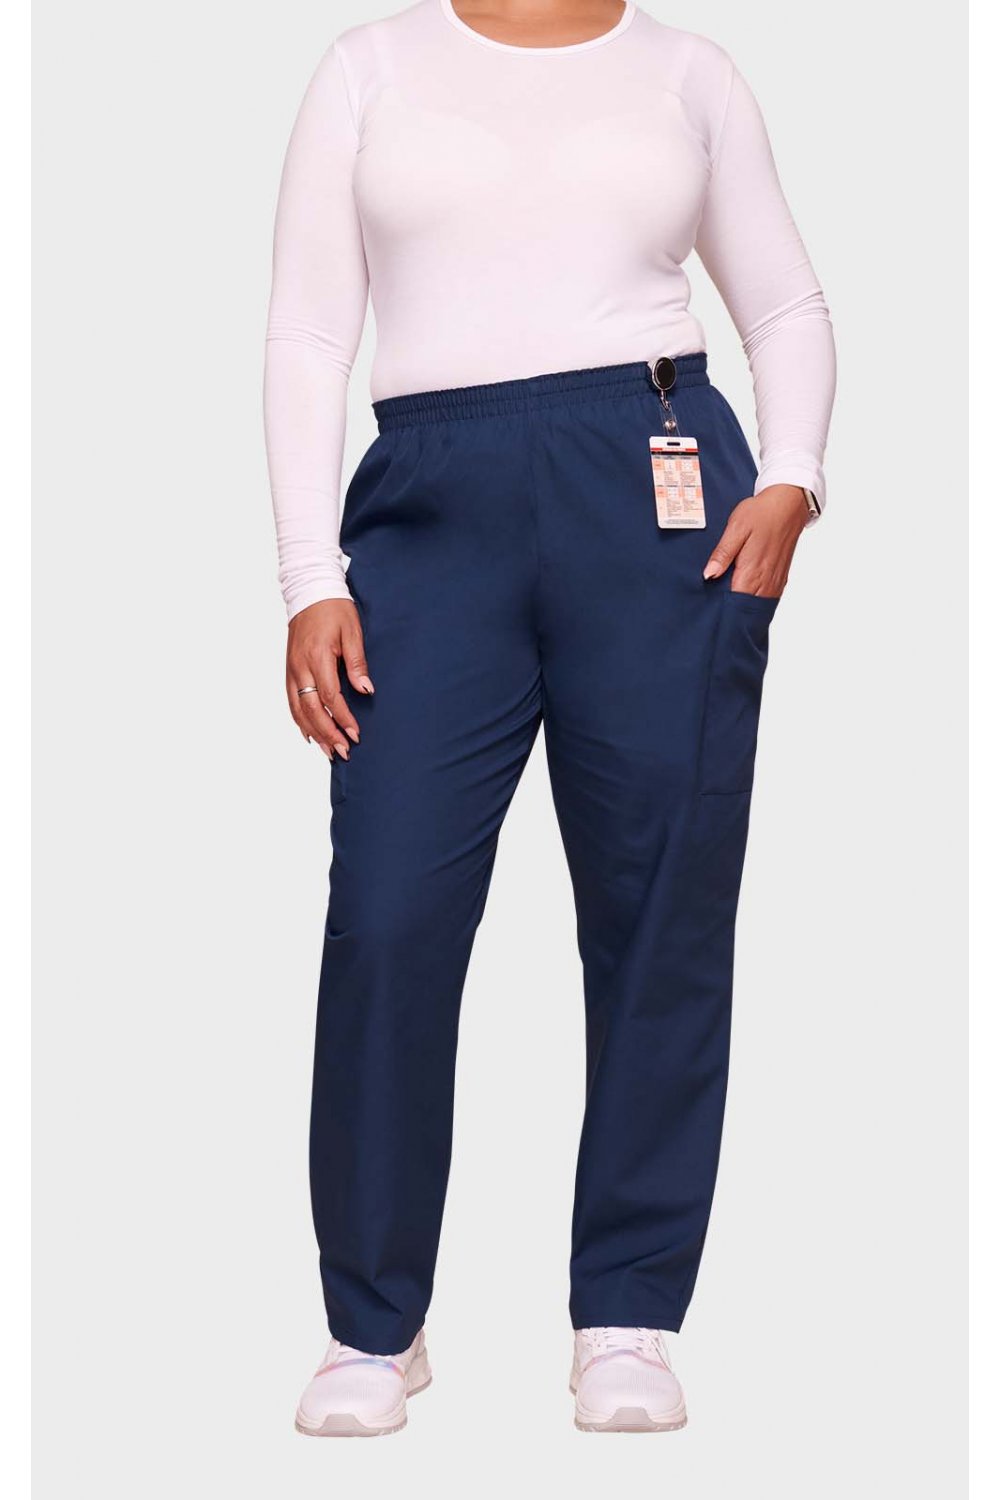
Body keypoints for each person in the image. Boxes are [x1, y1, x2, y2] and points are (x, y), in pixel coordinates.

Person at [264, 0, 835, 1437]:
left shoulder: (689, 74)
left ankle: (627, 1312)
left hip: (651, 483)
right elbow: (309, 333)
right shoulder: (370, 69)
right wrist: (309, 578)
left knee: (661, 901)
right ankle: (372, 1325)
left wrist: (795, 475)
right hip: (428, 506)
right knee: (389, 908)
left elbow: (785, 306)